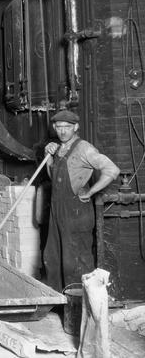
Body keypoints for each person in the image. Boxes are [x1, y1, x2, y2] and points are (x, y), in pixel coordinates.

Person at [43, 110, 119, 292]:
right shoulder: (57, 148)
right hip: (57, 210)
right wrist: (48, 157)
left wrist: (92, 191)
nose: (62, 131)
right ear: (54, 127)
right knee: (52, 257)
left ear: (76, 127)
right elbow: (51, 177)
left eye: (67, 127)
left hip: (76, 211)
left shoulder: (84, 148)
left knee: (75, 260)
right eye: (59, 127)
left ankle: (79, 306)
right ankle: (59, 303)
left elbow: (112, 170)